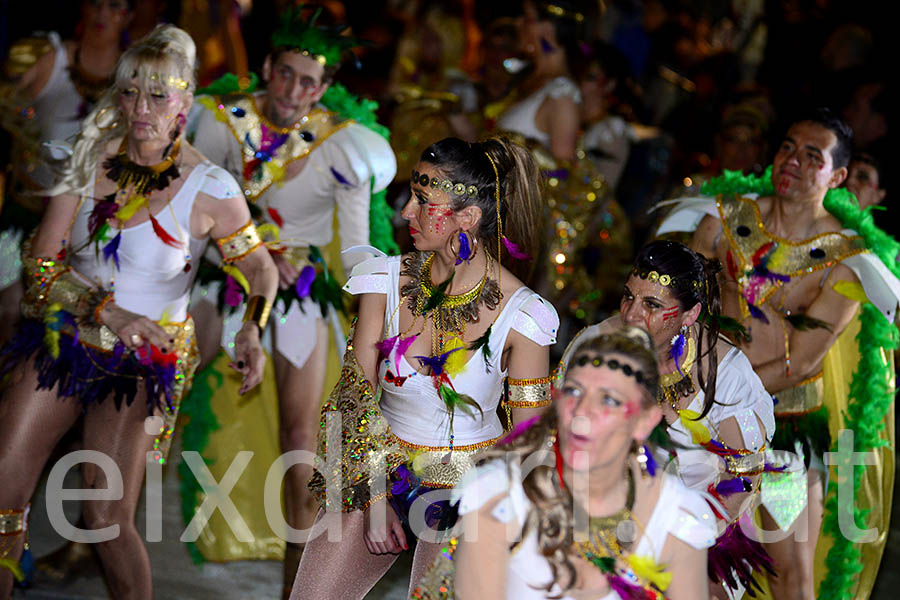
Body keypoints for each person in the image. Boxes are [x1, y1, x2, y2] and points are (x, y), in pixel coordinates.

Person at [0, 25, 277, 599]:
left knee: (103, 518)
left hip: (145, 364)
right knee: (2, 491)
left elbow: (259, 270)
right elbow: (40, 270)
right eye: (129, 92)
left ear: (185, 101)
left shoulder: (211, 186)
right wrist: (108, 311)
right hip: (66, 339)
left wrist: (251, 324)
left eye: (158, 94)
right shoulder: (87, 159)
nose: (140, 108)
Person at [291, 136, 560, 599]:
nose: (406, 213)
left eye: (423, 201)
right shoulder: (384, 282)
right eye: (410, 197)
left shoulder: (524, 317)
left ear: (468, 218)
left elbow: (529, 439)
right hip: (375, 469)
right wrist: (375, 499)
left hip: (472, 491)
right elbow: (351, 398)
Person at [186, 6, 396, 590]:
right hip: (218, 282)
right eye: (286, 74)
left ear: (325, 89)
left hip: (301, 301)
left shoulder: (342, 147)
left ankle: (293, 590)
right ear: (267, 68)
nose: (294, 91)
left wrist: (397, 300)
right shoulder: (216, 122)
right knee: (152, 391)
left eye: (309, 81)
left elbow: (356, 252)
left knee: (302, 442)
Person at [657, 108, 900, 600]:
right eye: (788, 147)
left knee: (790, 573)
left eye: (813, 156)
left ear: (837, 176)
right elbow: (680, 311)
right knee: (686, 558)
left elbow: (803, 363)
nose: (793, 161)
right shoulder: (721, 218)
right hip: (699, 421)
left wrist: (714, 397)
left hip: (784, 442)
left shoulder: (846, 257)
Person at [419, 326, 717, 599]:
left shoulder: (676, 517)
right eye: (574, 391)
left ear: (644, 422)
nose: (582, 413)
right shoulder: (496, 497)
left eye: (609, 400)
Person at [575, 240, 776, 598]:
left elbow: (744, 476)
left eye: (652, 304)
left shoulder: (727, 373)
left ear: (689, 314)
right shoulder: (594, 345)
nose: (632, 315)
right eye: (628, 296)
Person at [0, 0, 134, 344]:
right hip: (27, 214)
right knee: (10, 312)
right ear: (83, 9)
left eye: (115, 5)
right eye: (97, 3)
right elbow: (6, 106)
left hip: (89, 229)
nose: (103, 14)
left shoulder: (134, 78)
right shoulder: (52, 58)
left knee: (66, 333)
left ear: (128, 15)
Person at [494, 0, 587, 163]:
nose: (518, 22)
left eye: (527, 18)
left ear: (548, 29)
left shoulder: (562, 96)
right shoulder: (526, 75)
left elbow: (561, 176)